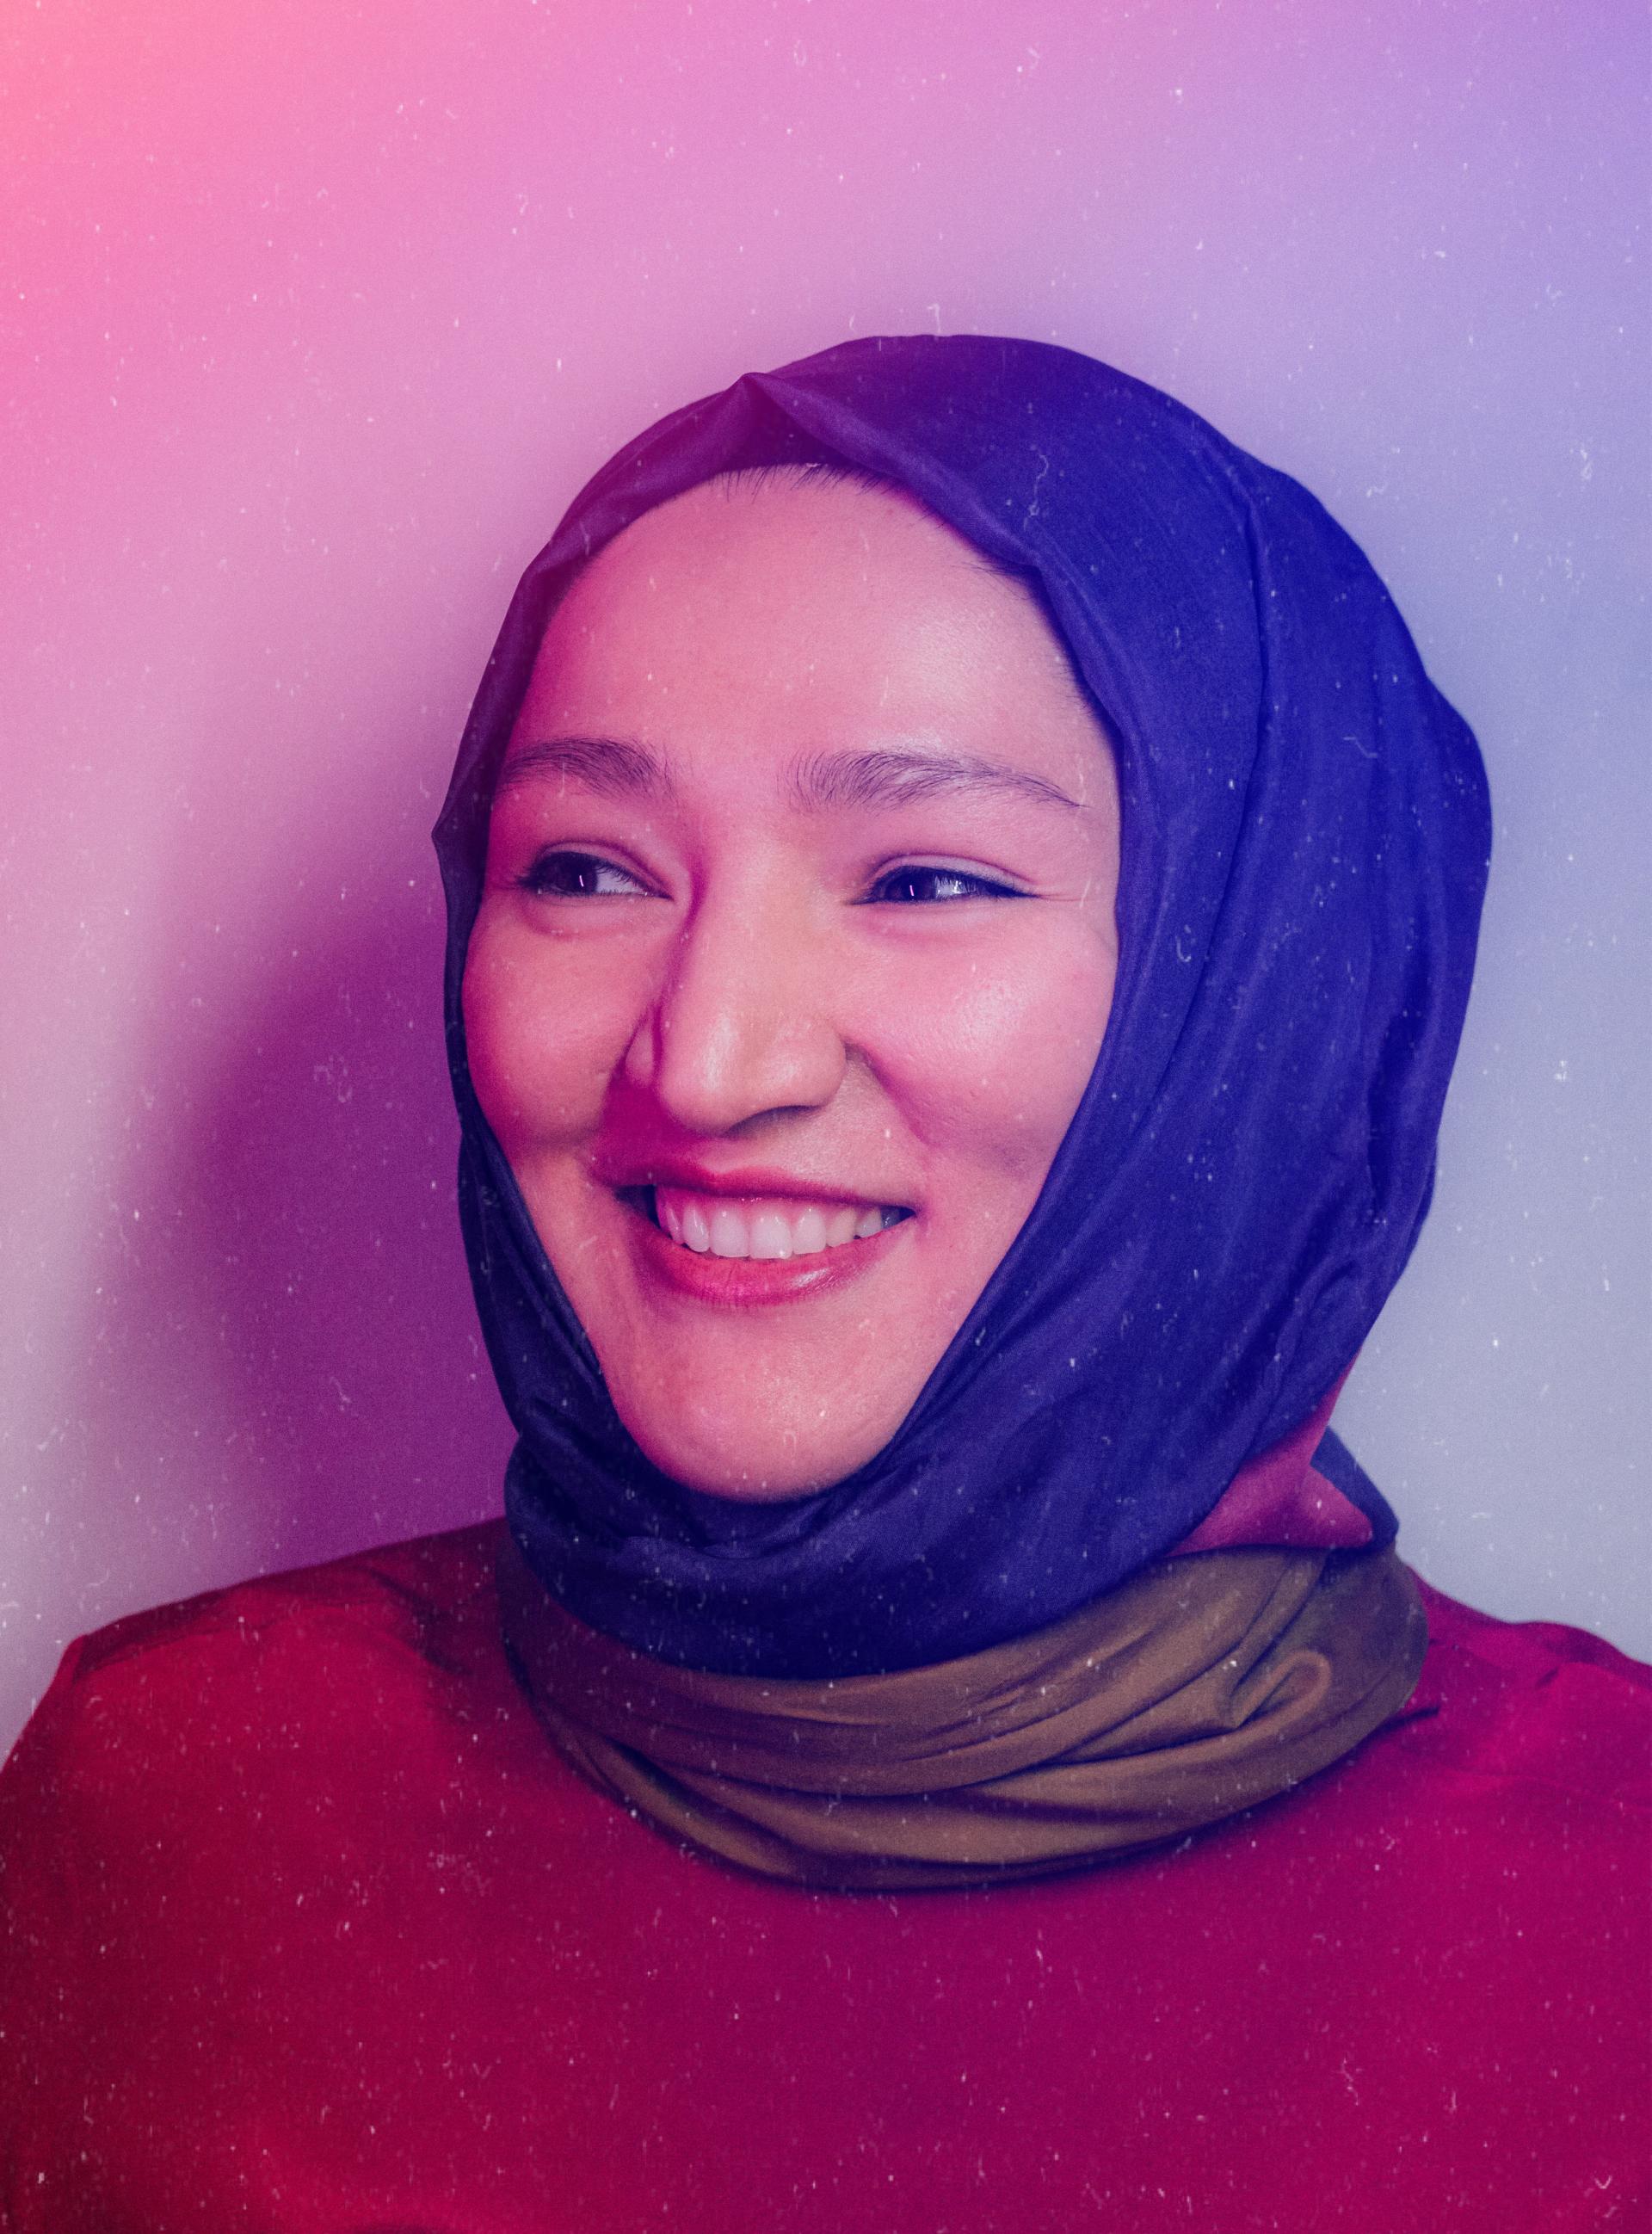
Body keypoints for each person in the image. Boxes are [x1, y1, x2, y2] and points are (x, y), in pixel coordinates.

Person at [1, 336, 1645, 2231]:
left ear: (1271, 1002)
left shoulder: (1614, 1912)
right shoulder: (182, 1803)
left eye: (926, 880)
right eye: (589, 870)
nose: (707, 1064)